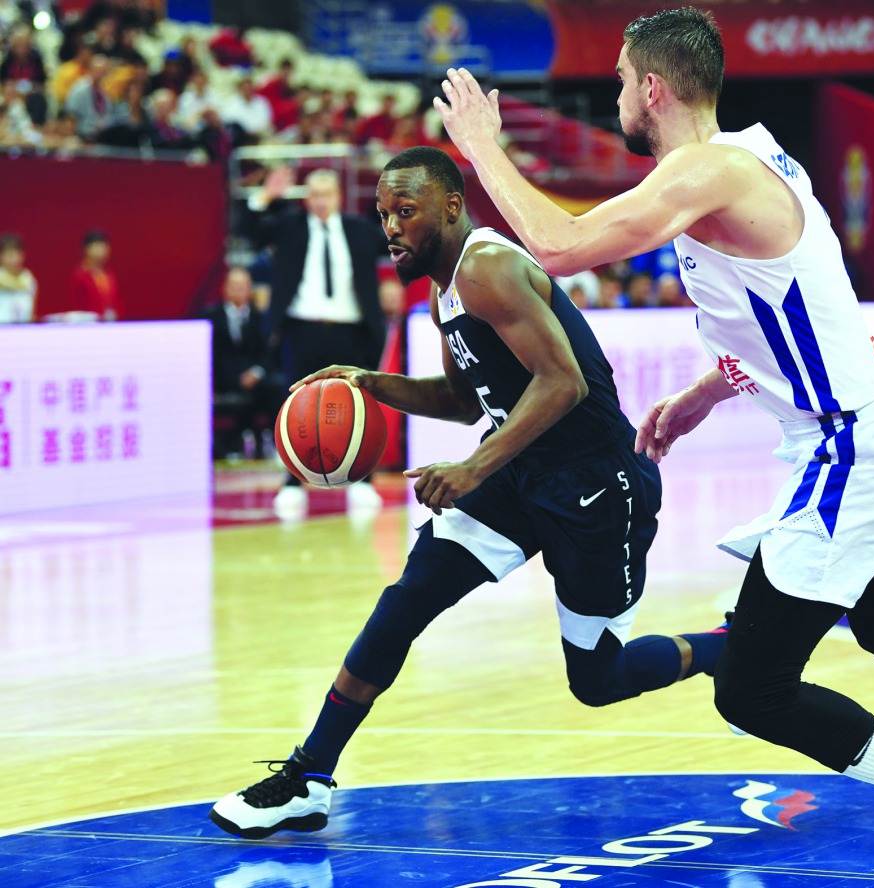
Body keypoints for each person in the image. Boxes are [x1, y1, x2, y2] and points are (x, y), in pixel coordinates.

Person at [434, 9, 874, 887]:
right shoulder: (754, 157)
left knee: (753, 687)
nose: (617, 94)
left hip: (851, 444)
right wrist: (704, 392)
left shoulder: (706, 170)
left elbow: (560, 244)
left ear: (653, 89)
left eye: (622, 80)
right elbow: (791, 305)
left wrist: (481, 147)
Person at [209, 145, 729, 840]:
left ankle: (730, 646)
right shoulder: (442, 291)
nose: (390, 226)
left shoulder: (487, 268)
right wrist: (369, 384)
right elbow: (463, 400)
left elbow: (563, 382)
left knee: (598, 680)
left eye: (405, 210)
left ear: (451, 207)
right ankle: (308, 776)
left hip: (597, 485)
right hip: (522, 475)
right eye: (383, 212)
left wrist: (473, 468)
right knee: (406, 601)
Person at [241, 165, 390, 515]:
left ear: (338, 196)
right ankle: (292, 480)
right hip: (302, 327)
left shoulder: (359, 230)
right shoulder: (289, 227)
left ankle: (363, 479)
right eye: (315, 195)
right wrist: (265, 197)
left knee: (359, 402)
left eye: (327, 194)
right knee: (295, 403)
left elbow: (395, 246)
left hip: (351, 328)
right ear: (307, 199)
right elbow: (249, 234)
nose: (321, 201)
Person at [202, 266, 284, 459]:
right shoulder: (210, 317)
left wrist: (256, 372)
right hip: (223, 380)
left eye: (244, 286)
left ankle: (276, 443)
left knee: (277, 386)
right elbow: (211, 355)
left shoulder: (261, 319)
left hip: (255, 380)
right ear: (225, 288)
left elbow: (268, 353)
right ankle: (227, 448)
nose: (239, 290)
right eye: (235, 286)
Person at [67, 229, 121, 320]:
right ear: (87, 249)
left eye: (105, 247)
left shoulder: (109, 275)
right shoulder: (79, 276)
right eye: (98, 247)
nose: (103, 251)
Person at [0, 232, 36, 323]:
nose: (12, 259)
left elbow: (32, 311)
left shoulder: (29, 279)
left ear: (22, 255)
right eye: (8, 255)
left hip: (22, 329)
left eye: (14, 254)